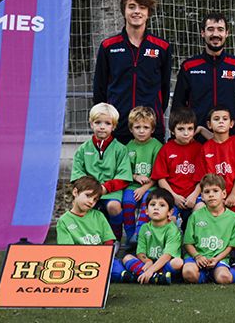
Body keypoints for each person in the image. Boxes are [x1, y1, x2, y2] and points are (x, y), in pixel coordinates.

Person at [93, 0, 172, 143]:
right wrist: (107, 119)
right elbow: (99, 88)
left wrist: (152, 113)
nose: (137, 11)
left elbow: (164, 88)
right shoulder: (108, 46)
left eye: (142, 7)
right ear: (124, 11)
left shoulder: (162, 47)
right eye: (131, 7)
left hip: (149, 127)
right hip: (117, 126)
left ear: (148, 13)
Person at [173, 12, 235, 136]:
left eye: (220, 29)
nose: (215, 34)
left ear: (227, 33)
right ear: (202, 33)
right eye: (210, 29)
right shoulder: (189, 66)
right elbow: (178, 105)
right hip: (196, 138)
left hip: (230, 139)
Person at [70, 102, 133, 241]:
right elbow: (77, 175)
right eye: (98, 122)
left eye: (107, 123)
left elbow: (123, 177)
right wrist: (91, 189)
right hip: (89, 191)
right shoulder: (83, 149)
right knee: (82, 205)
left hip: (110, 191)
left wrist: (104, 188)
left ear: (114, 126)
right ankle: (87, 239)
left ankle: (115, 239)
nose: (102, 127)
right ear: (91, 124)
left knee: (114, 206)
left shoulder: (121, 149)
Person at [56, 176, 128, 283]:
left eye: (95, 199)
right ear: (75, 192)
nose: (91, 202)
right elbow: (67, 250)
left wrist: (104, 258)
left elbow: (108, 241)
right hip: (79, 261)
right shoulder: (64, 221)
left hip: (102, 258)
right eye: (88, 196)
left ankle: (127, 276)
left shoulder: (99, 216)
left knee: (118, 270)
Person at [181, 174, 235, 284]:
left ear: (224, 194)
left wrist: (217, 259)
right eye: (207, 192)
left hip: (219, 258)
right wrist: (197, 256)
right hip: (196, 257)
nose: (211, 195)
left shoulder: (234, 218)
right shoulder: (195, 216)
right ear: (202, 196)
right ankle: (206, 276)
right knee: (188, 273)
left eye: (215, 191)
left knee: (224, 278)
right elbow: (188, 243)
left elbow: (231, 246)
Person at [151, 106, 204, 229]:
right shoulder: (166, 149)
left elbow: (203, 178)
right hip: (172, 195)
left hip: (193, 195)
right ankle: (172, 239)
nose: (186, 133)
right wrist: (174, 196)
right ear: (172, 131)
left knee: (200, 212)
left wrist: (194, 195)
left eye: (190, 129)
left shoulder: (199, 149)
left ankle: (191, 238)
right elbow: (161, 178)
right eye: (181, 129)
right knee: (169, 221)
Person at [200, 105, 235, 218]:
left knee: (234, 221)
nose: (221, 122)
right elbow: (203, 177)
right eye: (216, 119)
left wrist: (233, 194)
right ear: (209, 124)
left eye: (225, 119)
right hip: (213, 195)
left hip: (234, 193)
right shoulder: (205, 148)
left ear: (231, 123)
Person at [120, 188, 183, 285]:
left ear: (170, 212)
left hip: (164, 263)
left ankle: (140, 276)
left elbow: (167, 256)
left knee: (178, 262)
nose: (156, 208)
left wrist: (151, 270)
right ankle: (156, 277)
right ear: (146, 211)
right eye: (153, 204)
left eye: (162, 205)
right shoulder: (144, 228)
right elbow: (140, 252)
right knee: (127, 258)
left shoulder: (172, 230)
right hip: (148, 264)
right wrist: (148, 261)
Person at [121, 106, 162, 244]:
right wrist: (135, 177)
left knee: (147, 203)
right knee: (127, 203)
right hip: (132, 186)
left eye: (146, 127)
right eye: (137, 127)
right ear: (131, 129)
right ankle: (130, 236)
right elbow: (125, 170)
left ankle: (139, 234)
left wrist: (144, 188)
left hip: (151, 186)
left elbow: (157, 174)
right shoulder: (128, 147)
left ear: (152, 129)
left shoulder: (157, 146)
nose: (141, 131)